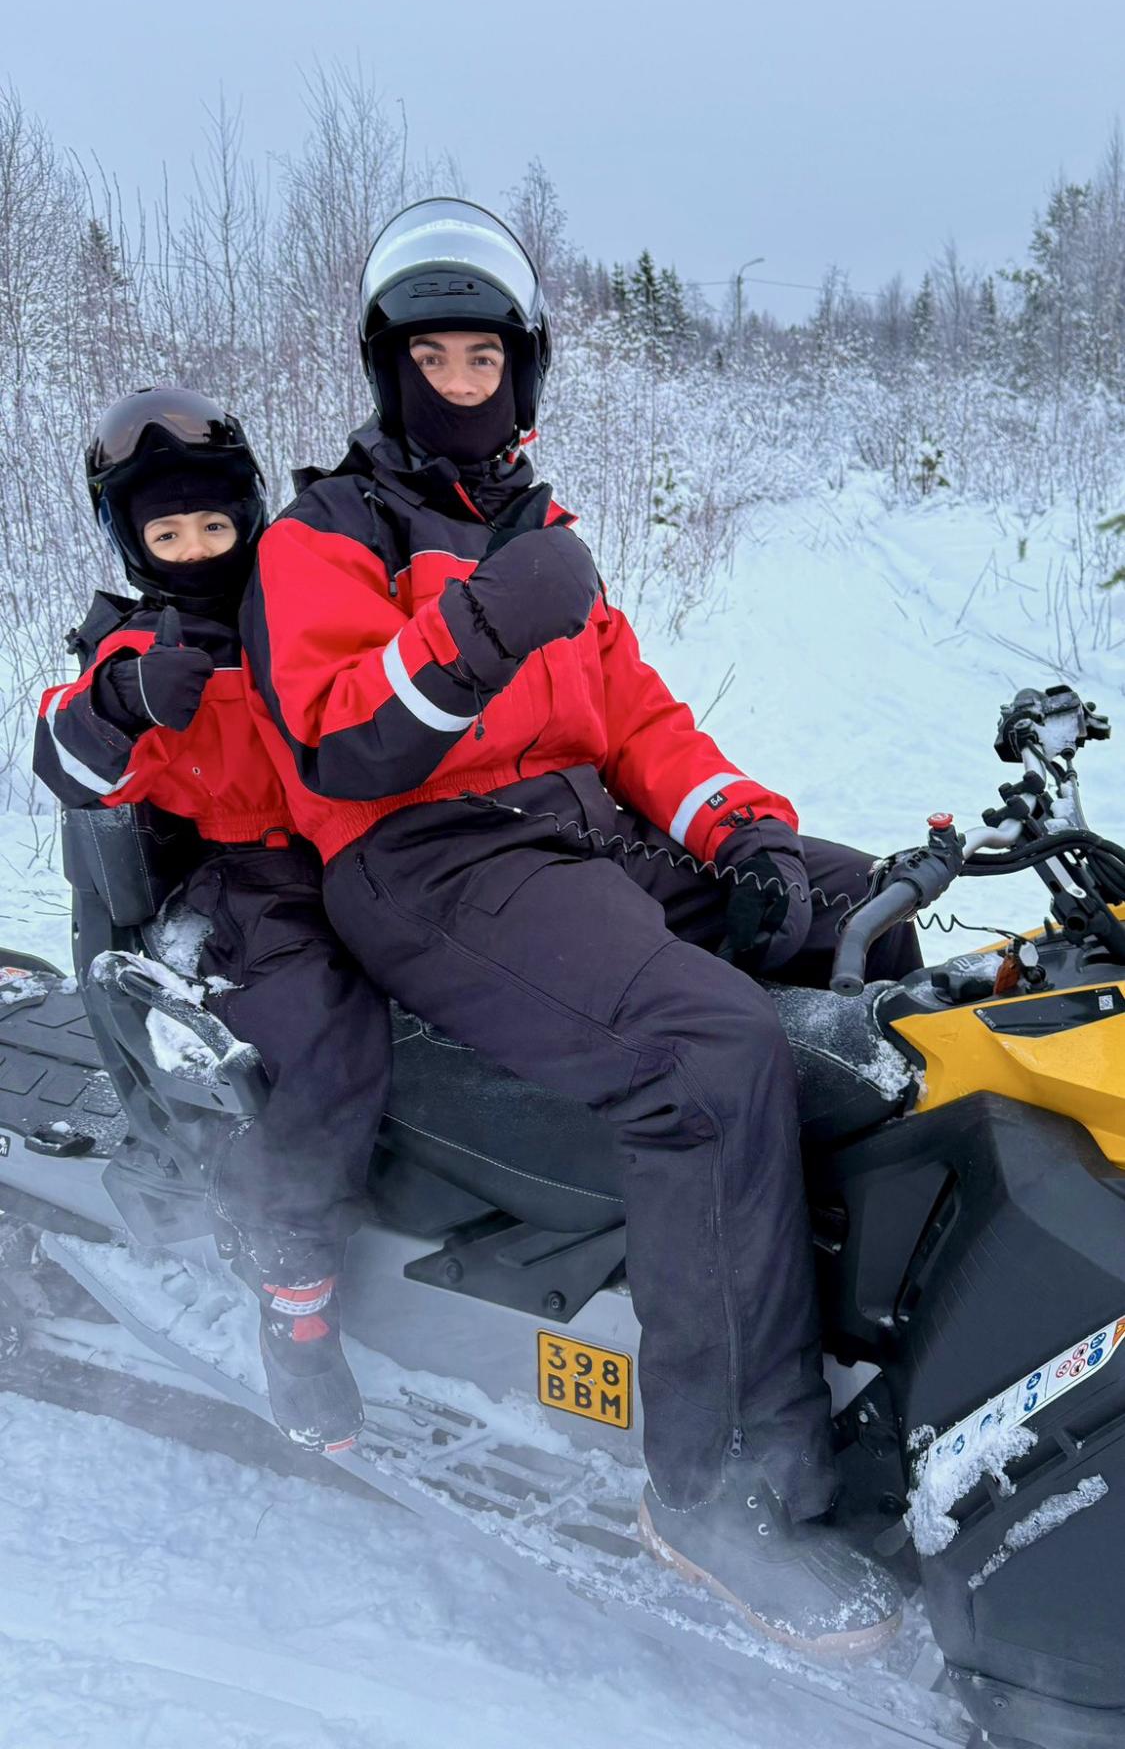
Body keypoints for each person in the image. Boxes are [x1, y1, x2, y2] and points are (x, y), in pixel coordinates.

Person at [241, 200, 921, 1653]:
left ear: (521, 371)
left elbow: (638, 724)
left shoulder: (539, 532)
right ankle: (723, 1491)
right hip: (422, 857)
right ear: (385, 369)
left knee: (864, 920)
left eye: (479, 356)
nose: (454, 382)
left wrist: (745, 829)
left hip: (565, 830)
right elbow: (339, 738)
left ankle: (869, 1345)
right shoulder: (324, 538)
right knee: (704, 1052)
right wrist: (478, 628)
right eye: (428, 355)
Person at [35, 387, 390, 1456]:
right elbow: (62, 755)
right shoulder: (134, 645)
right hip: (238, 881)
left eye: (216, 526)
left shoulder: (296, 606)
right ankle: (293, 1286)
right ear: (132, 543)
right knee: (328, 1030)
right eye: (167, 532)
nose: (195, 550)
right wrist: (127, 699)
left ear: (249, 517)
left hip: (360, 851)